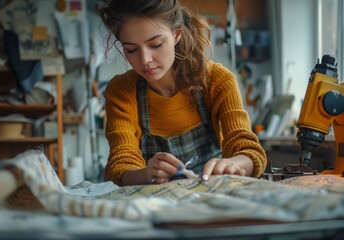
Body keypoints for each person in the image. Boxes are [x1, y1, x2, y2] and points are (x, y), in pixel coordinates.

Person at [99, 0, 267, 186]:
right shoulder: (121, 92)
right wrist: (147, 174)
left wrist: (232, 165)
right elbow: (120, 166)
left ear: (176, 35)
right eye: (131, 49)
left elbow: (248, 150)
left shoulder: (218, 82)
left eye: (155, 44)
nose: (145, 60)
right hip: (152, 209)